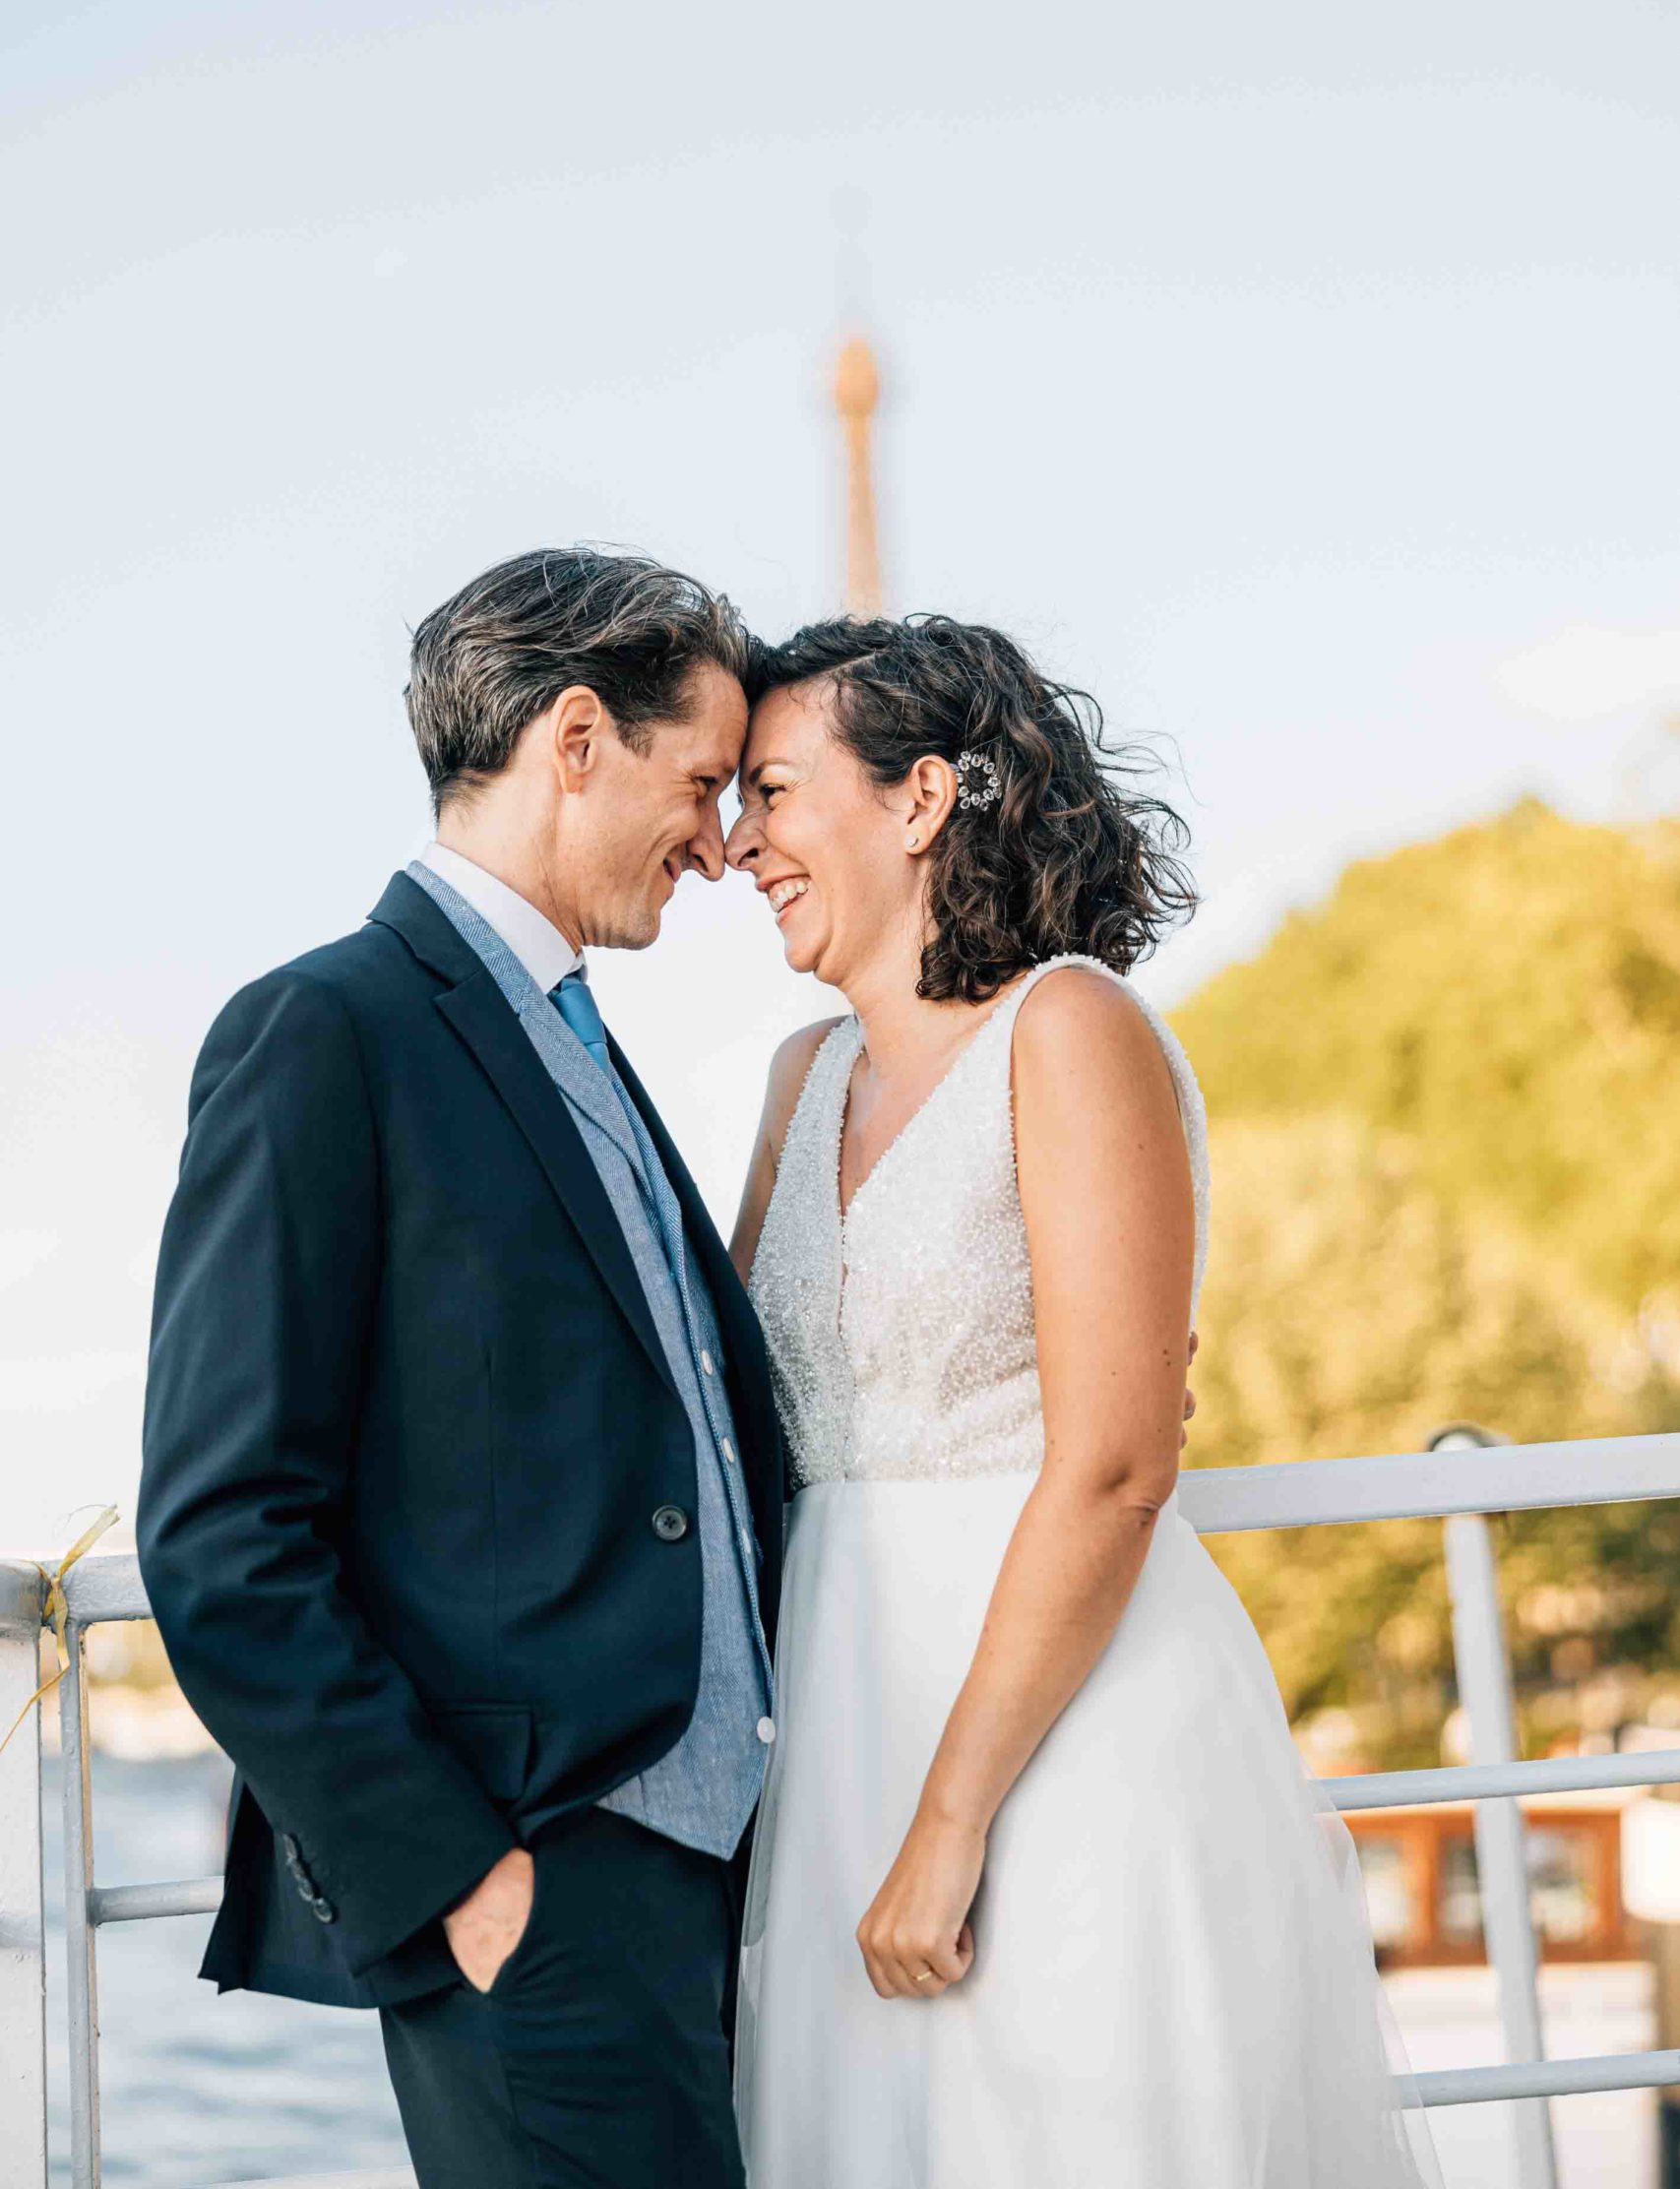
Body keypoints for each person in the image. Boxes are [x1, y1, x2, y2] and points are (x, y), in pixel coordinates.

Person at [723, 613, 1444, 2189]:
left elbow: (1117, 1463)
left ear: (919, 801)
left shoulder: (1070, 1030)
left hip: (1061, 1737)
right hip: (844, 1728)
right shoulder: (798, 1080)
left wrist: (951, 1819)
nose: (736, 843)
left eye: (774, 792)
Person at [137, 547, 783, 2189]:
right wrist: (453, 1877)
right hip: (531, 1881)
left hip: (709, 1879)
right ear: (578, 738)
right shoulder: (326, 1032)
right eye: (700, 780)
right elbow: (220, 1535)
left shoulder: (576, 1037)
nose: (717, 845)